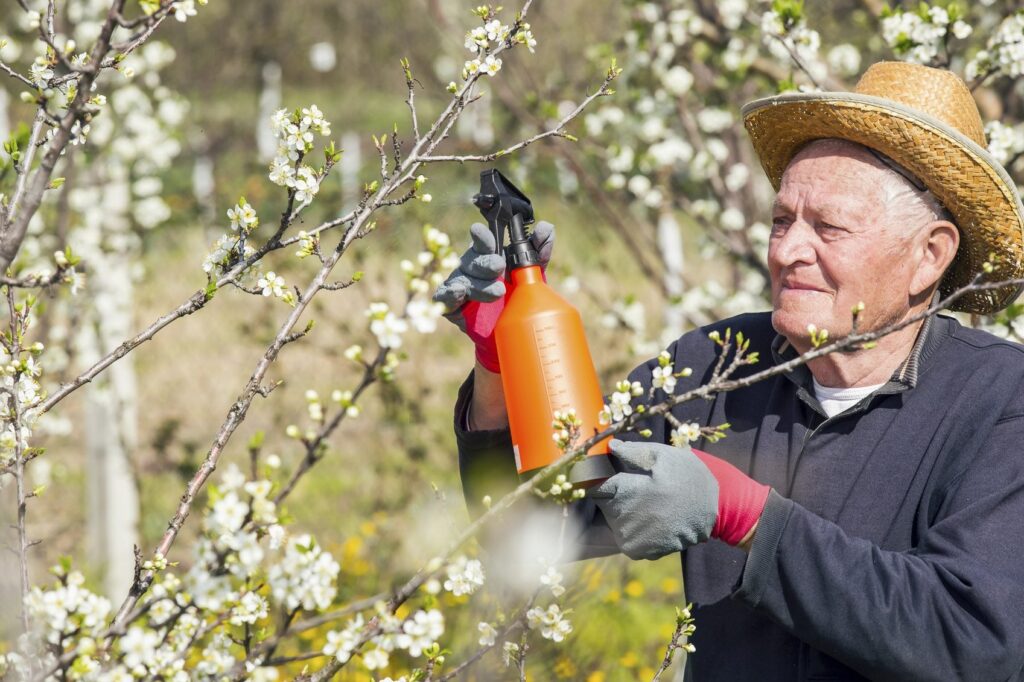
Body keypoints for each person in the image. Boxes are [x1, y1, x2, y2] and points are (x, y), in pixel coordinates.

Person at [432, 61, 1024, 681]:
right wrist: (502, 363)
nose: (788, 250)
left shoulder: (1001, 403)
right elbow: (532, 529)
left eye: (828, 227)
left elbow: (970, 641)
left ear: (929, 255)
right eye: (781, 220)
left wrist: (745, 515)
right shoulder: (715, 366)